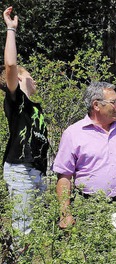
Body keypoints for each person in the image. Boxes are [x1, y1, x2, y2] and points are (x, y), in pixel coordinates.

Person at [52, 82, 116, 228]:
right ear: (96, 105)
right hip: (89, 206)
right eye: (114, 102)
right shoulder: (73, 134)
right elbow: (64, 177)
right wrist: (65, 213)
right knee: (92, 250)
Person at [1, 6, 49, 234]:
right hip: (20, 169)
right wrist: (11, 29)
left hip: (37, 171)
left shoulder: (35, 108)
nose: (34, 80)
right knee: (24, 230)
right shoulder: (16, 102)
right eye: (30, 75)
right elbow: (10, 64)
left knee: (38, 230)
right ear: (19, 78)